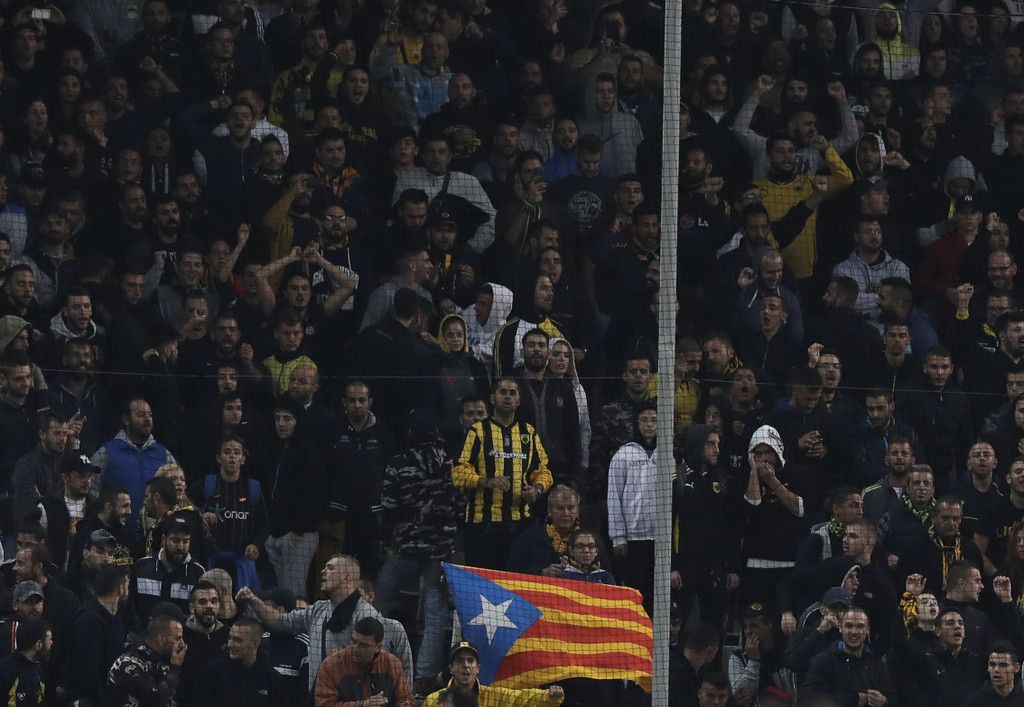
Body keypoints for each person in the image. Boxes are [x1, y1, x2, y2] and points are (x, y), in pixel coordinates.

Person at [376, 407, 458, 694]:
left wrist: (388, 537)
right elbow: (459, 504)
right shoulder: (450, 462)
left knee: (379, 602)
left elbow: (388, 507)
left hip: (405, 549)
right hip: (440, 551)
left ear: (410, 432)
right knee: (436, 615)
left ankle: (377, 662)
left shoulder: (399, 463)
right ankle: (423, 677)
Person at [236, 554, 382, 691]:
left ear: (346, 577)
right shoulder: (318, 609)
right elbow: (280, 621)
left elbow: (375, 664)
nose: (323, 572)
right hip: (318, 696)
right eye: (325, 567)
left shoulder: (366, 614)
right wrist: (254, 600)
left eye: (330, 568)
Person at [453, 377, 553, 569]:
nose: (507, 396)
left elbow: (543, 470)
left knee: (518, 578)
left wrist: (537, 489)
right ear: (492, 398)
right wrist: (485, 481)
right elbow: (458, 471)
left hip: (521, 523)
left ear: (518, 400)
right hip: (483, 524)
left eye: (512, 393)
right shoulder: (477, 431)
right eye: (503, 392)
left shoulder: (528, 432)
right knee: (484, 580)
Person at [64, 564, 132, 707]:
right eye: (127, 585)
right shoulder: (89, 620)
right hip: (90, 699)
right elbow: (88, 671)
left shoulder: (119, 617)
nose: (128, 591)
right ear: (120, 589)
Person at [422, 642, 565, 706]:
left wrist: (548, 697)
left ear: (478, 668)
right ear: (451, 669)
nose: (466, 665)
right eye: (460, 661)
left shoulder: (495, 697)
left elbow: (522, 699)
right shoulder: (433, 701)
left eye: (470, 661)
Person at [314, 616, 414, 707]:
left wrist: (404, 705)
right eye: (354, 641)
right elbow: (323, 704)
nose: (355, 648)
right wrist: (362, 705)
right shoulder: (331, 665)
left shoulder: (392, 664)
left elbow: (406, 698)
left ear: (378, 647)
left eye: (364, 645)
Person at [802, 607, 895, 705]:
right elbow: (807, 700)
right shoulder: (822, 661)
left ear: (867, 630)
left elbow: (894, 700)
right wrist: (853, 700)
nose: (854, 632)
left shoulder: (878, 666)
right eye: (849, 626)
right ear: (840, 628)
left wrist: (884, 701)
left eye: (860, 626)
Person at [105, 606, 187, 707]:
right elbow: (155, 700)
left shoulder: (161, 662)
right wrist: (175, 668)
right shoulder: (129, 664)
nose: (182, 644)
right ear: (162, 639)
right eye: (178, 639)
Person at [131, 516, 206, 621]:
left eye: (185, 541)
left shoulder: (198, 572)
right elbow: (131, 607)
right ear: (163, 540)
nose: (180, 547)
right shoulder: (142, 567)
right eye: (175, 540)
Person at [199, 617, 281, 707]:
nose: (230, 644)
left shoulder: (272, 679)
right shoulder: (213, 672)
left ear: (256, 643)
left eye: (238, 640)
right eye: (230, 638)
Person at [0, 617, 51, 707]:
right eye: (50, 639)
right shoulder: (6, 672)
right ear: (38, 644)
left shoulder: (38, 670)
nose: (52, 643)